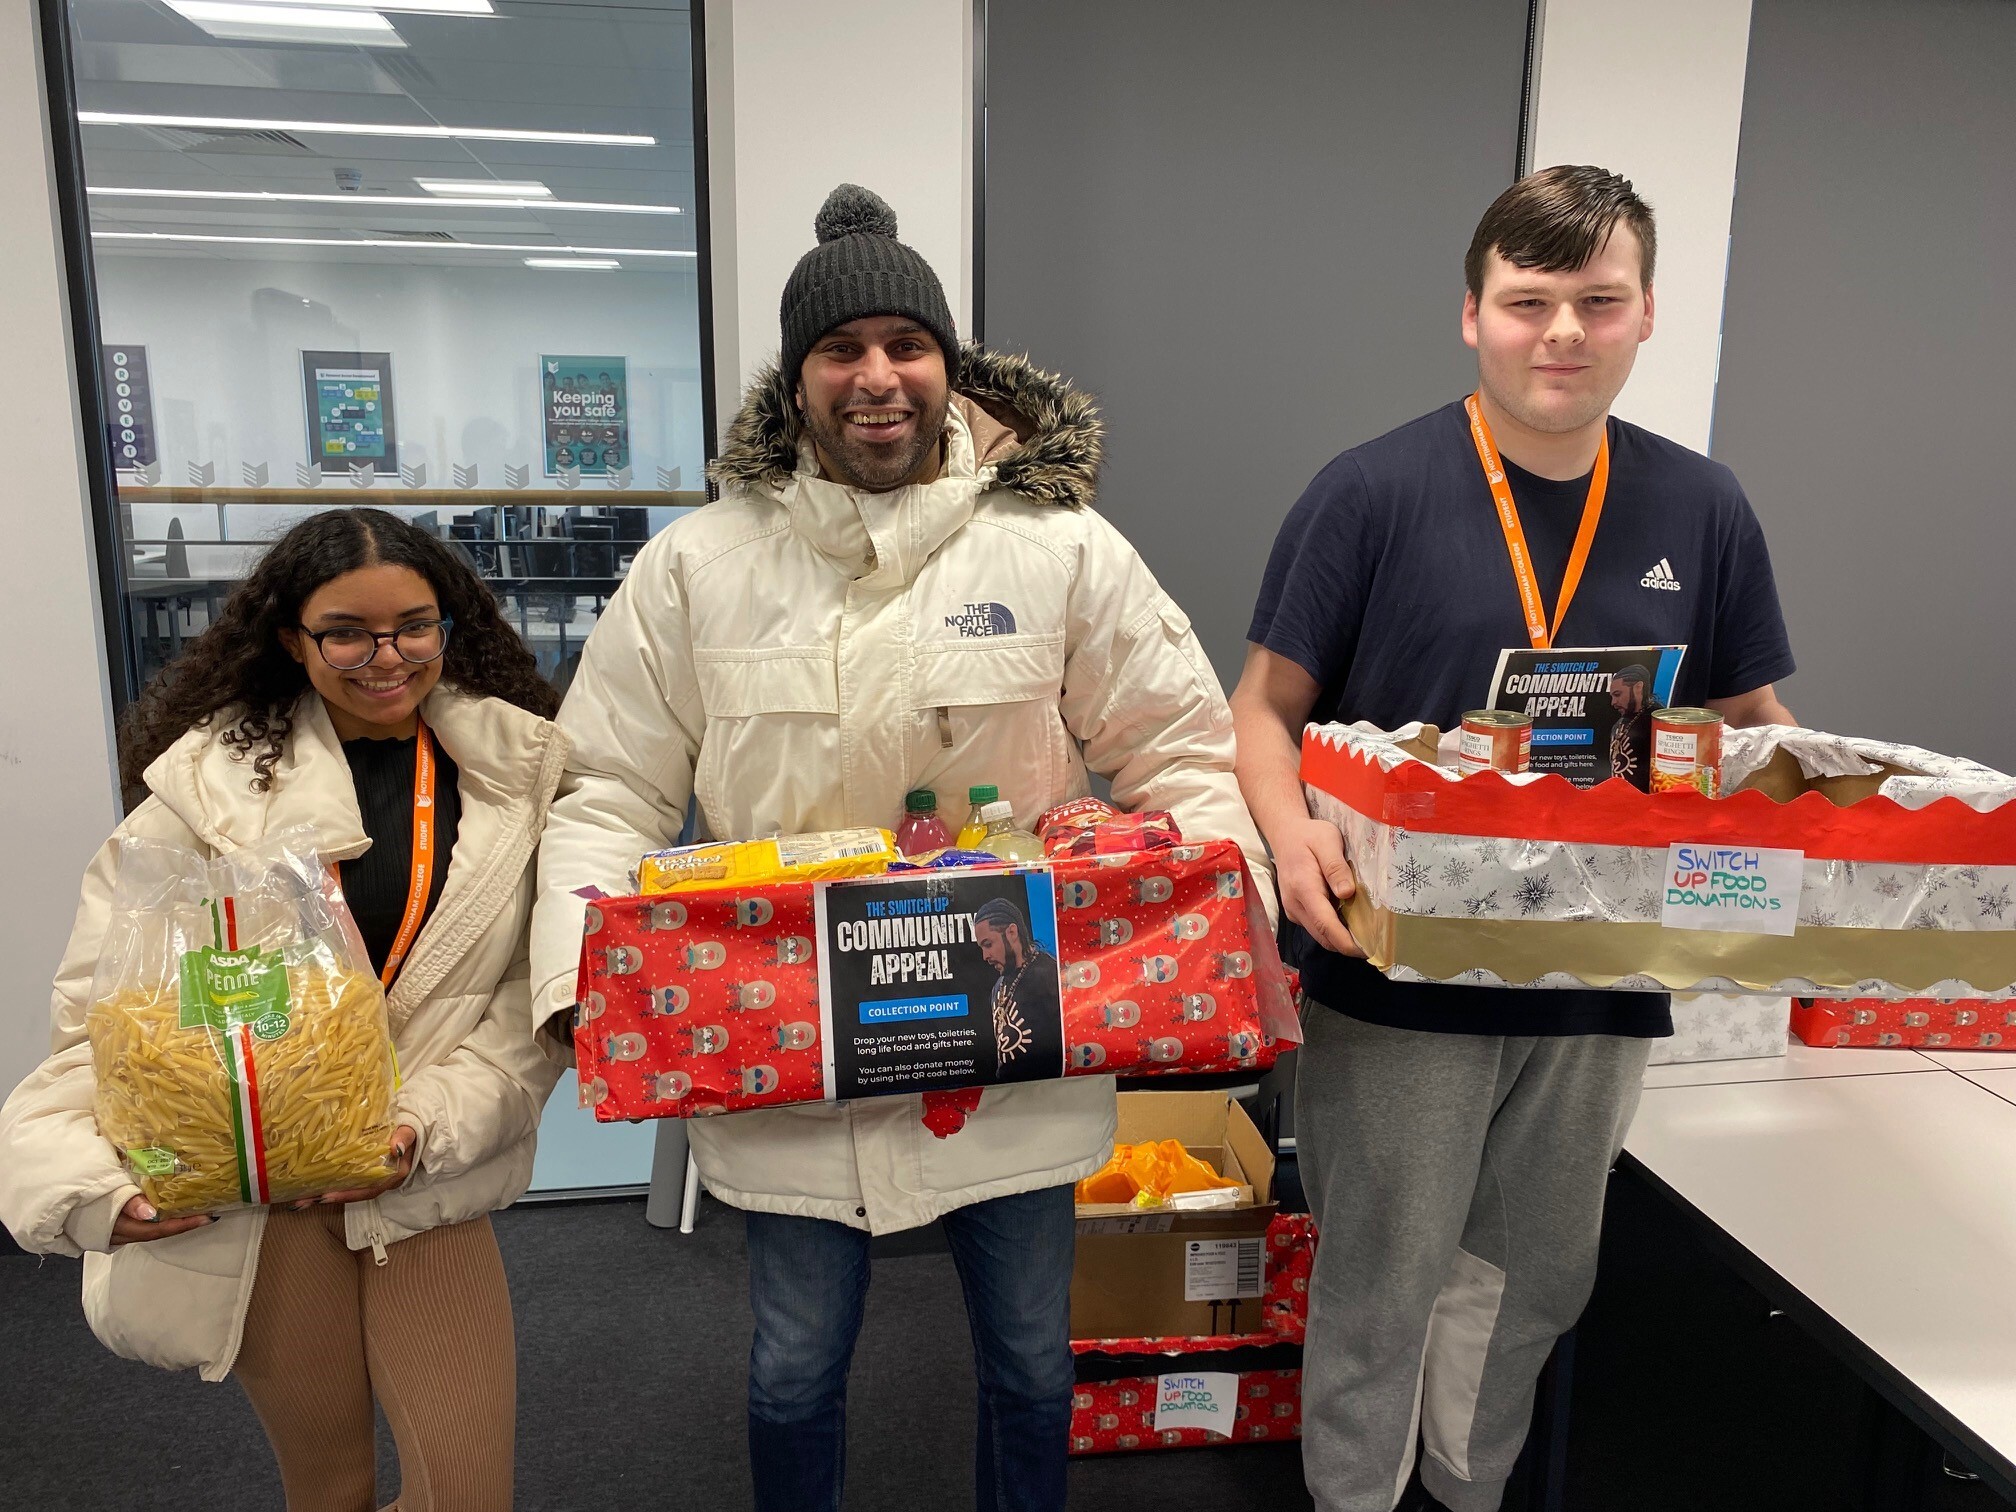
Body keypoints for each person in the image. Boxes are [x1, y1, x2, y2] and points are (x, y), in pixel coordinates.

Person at [531, 183, 1271, 1512]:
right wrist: (579, 985)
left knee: (1036, 1365)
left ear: (950, 367)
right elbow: (602, 791)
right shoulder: (701, 568)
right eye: (840, 351)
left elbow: (1184, 753)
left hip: (1013, 1039)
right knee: (793, 1370)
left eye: (905, 346)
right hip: (788, 1046)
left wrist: (1228, 944)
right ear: (795, 381)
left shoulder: (1061, 549)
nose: (877, 378)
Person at [1230, 165, 1795, 1512]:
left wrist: (1806, 842)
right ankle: (1357, 1499)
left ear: (1646, 313)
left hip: (1600, 971)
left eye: (1597, 302)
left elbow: (1758, 727)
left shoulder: (1704, 508)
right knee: (1385, 1269)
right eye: (1528, 301)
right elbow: (1260, 712)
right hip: (1401, 971)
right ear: (1471, 315)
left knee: (1537, 1269)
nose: (1562, 333)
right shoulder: (1368, 492)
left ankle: (1468, 1489)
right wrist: (1291, 842)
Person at [0, 508, 571, 1512]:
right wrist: (80, 1185)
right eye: (346, 630)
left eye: (413, 625)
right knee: (331, 1488)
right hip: (266, 1200)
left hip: (423, 1175)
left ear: (453, 624)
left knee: (469, 1491)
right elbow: (108, 1019)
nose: (384, 657)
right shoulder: (202, 798)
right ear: (290, 640)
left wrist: (419, 1127)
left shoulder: (517, 780)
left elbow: (528, 1013)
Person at [974, 895, 1059, 1072]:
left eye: (988, 944)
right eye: (981, 947)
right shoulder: (997, 987)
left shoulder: (1051, 975)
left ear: (1012, 932)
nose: (984, 956)